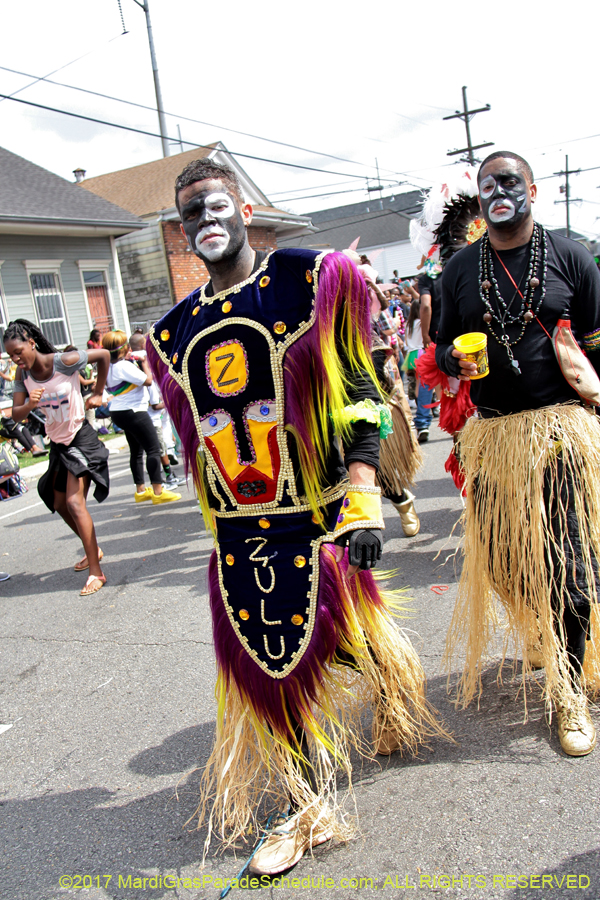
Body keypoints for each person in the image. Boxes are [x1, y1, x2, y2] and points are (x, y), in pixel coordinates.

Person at [148, 158, 443, 874]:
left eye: (214, 206)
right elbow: (199, 447)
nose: (204, 222)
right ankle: (307, 804)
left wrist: (363, 498)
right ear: (183, 232)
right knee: (267, 667)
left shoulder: (309, 282)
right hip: (239, 537)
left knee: (342, 641)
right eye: (190, 215)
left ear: (245, 209)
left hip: (313, 519)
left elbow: (361, 392)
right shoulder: (175, 332)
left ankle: (390, 680)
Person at [436, 150, 600, 756]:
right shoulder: (457, 271)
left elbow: (595, 336)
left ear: (532, 188)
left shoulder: (570, 254)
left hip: (560, 431)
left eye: (509, 181)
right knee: (506, 561)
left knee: (570, 565)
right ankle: (539, 630)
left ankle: (568, 690)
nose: (498, 191)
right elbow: (442, 342)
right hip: (495, 437)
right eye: (487, 184)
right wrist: (454, 357)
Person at [5, 319, 110, 595]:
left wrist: (98, 392)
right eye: (10, 356)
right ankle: (93, 549)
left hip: (80, 436)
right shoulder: (21, 376)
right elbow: (16, 414)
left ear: (31, 342)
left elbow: (104, 355)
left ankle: (96, 573)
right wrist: (30, 403)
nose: (16, 359)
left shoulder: (63, 361)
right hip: (59, 444)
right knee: (59, 501)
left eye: (18, 352)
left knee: (76, 503)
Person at [102, 330, 181, 505]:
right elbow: (147, 380)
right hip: (134, 411)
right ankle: (158, 491)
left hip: (119, 412)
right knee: (153, 449)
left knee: (136, 452)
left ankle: (140, 490)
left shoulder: (108, 366)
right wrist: (144, 362)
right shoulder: (123, 366)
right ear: (124, 348)